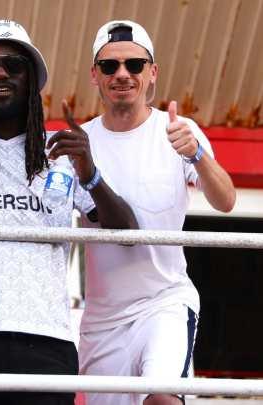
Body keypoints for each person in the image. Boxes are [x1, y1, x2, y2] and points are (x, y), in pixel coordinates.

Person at [0, 20, 137, 405]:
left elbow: (127, 231)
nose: (1, 73)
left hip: (47, 336)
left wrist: (90, 173)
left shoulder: (63, 152)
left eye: (14, 65)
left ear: (31, 80)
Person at [76, 20, 235, 405]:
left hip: (165, 302)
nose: (122, 74)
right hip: (102, 322)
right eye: (110, 66)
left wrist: (196, 154)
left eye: (134, 64)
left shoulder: (179, 129)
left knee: (162, 398)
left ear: (153, 73)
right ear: (95, 75)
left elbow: (226, 200)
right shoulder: (80, 141)